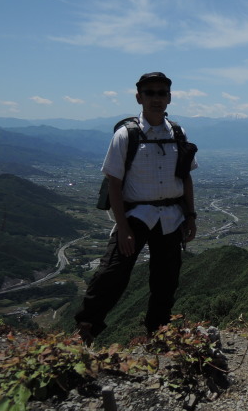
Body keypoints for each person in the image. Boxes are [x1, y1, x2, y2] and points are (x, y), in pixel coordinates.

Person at [75, 72, 198, 344]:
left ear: (169, 97)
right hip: (136, 216)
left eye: (161, 93)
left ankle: (159, 334)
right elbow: (114, 184)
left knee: (166, 280)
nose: (156, 98)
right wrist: (123, 227)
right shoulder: (126, 135)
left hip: (170, 216)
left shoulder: (178, 133)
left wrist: (190, 217)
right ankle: (85, 329)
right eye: (150, 93)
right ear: (139, 97)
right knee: (112, 274)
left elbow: (185, 177)